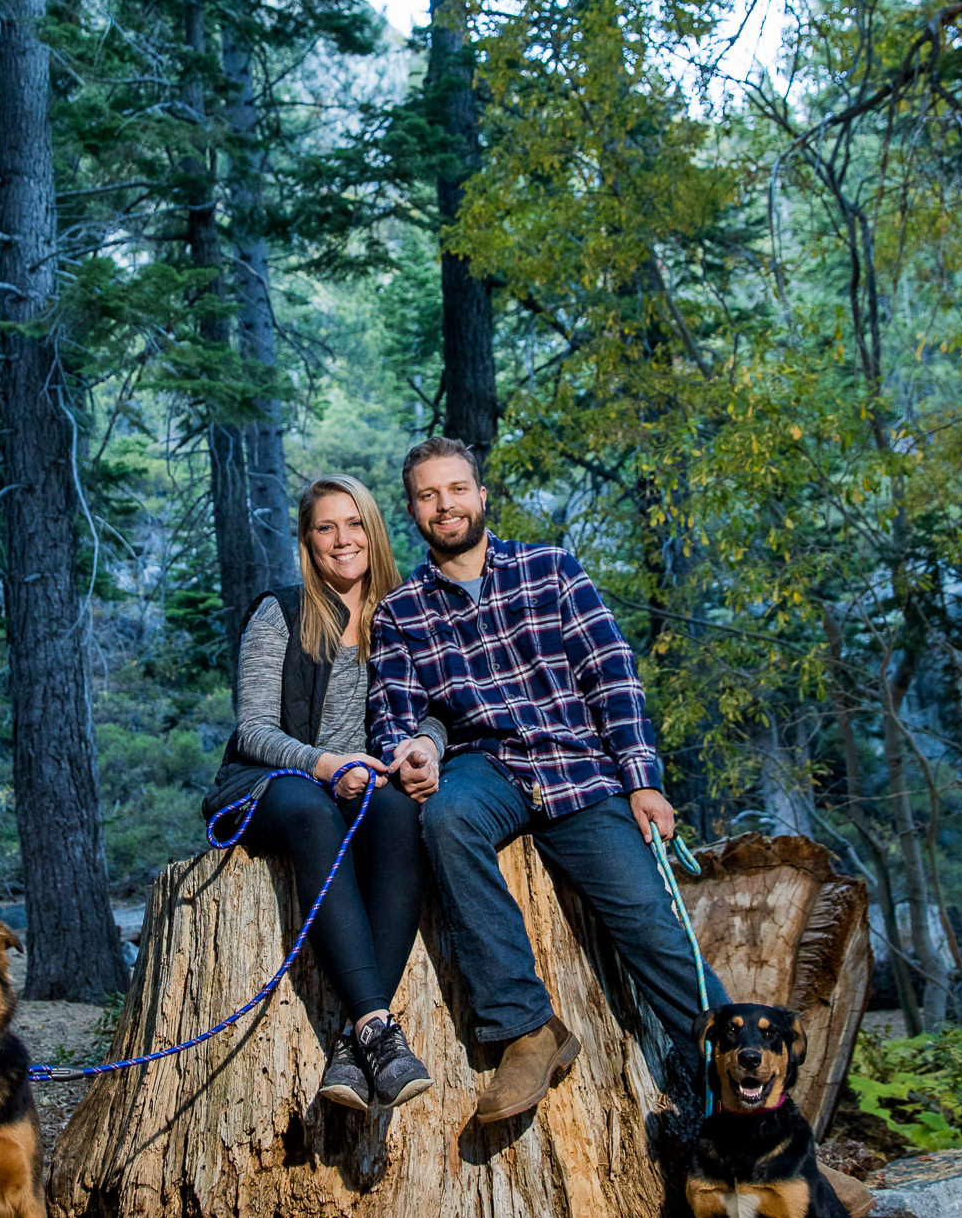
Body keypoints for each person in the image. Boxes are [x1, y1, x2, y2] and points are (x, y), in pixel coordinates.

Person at [368, 436, 725, 1126]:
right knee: (444, 818)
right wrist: (411, 750)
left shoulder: (551, 568)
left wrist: (642, 779)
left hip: (580, 771)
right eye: (428, 495)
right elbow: (395, 714)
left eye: (457, 489)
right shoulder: (402, 611)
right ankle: (526, 1028)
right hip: (487, 765)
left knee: (656, 932)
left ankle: (767, 1125)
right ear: (412, 509)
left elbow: (613, 675)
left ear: (481, 494)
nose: (445, 505)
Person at [204, 474, 443, 1113]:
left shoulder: (405, 611)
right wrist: (324, 763)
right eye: (325, 528)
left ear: (374, 529)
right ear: (308, 542)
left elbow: (440, 707)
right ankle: (376, 1023)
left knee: (400, 814)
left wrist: (426, 747)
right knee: (311, 811)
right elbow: (252, 728)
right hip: (275, 782)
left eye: (354, 523)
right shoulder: (279, 612)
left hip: (368, 783)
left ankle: (354, 1041)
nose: (343, 540)